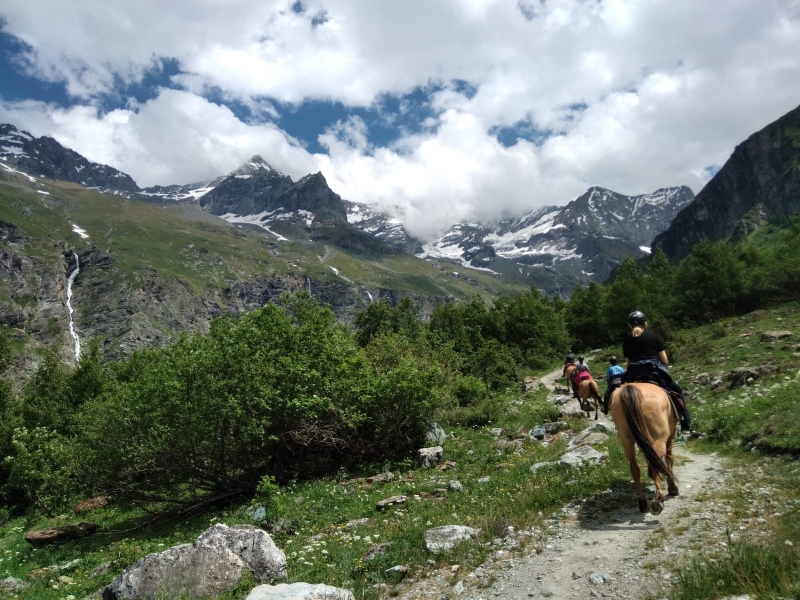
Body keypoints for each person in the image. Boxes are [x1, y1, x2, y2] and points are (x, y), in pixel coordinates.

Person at [622, 310, 693, 431]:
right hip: (654, 371)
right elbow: (664, 360)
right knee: (677, 392)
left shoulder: (626, 341)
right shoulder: (654, 337)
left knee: (621, 395)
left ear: (630, 325)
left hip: (633, 373)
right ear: (645, 323)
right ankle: (685, 422)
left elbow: (628, 363)